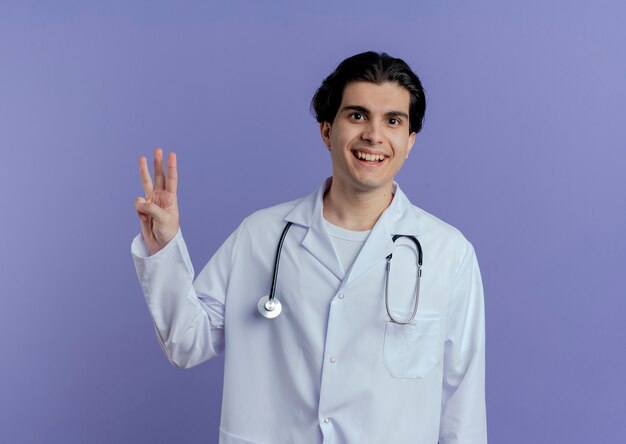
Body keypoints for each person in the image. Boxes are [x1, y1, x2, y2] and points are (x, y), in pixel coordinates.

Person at [132, 51, 487, 444]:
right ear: (326, 131)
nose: (374, 135)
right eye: (357, 116)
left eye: (393, 121)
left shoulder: (447, 253)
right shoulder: (261, 236)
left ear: (410, 141)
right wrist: (165, 248)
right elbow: (186, 342)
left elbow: (462, 408)